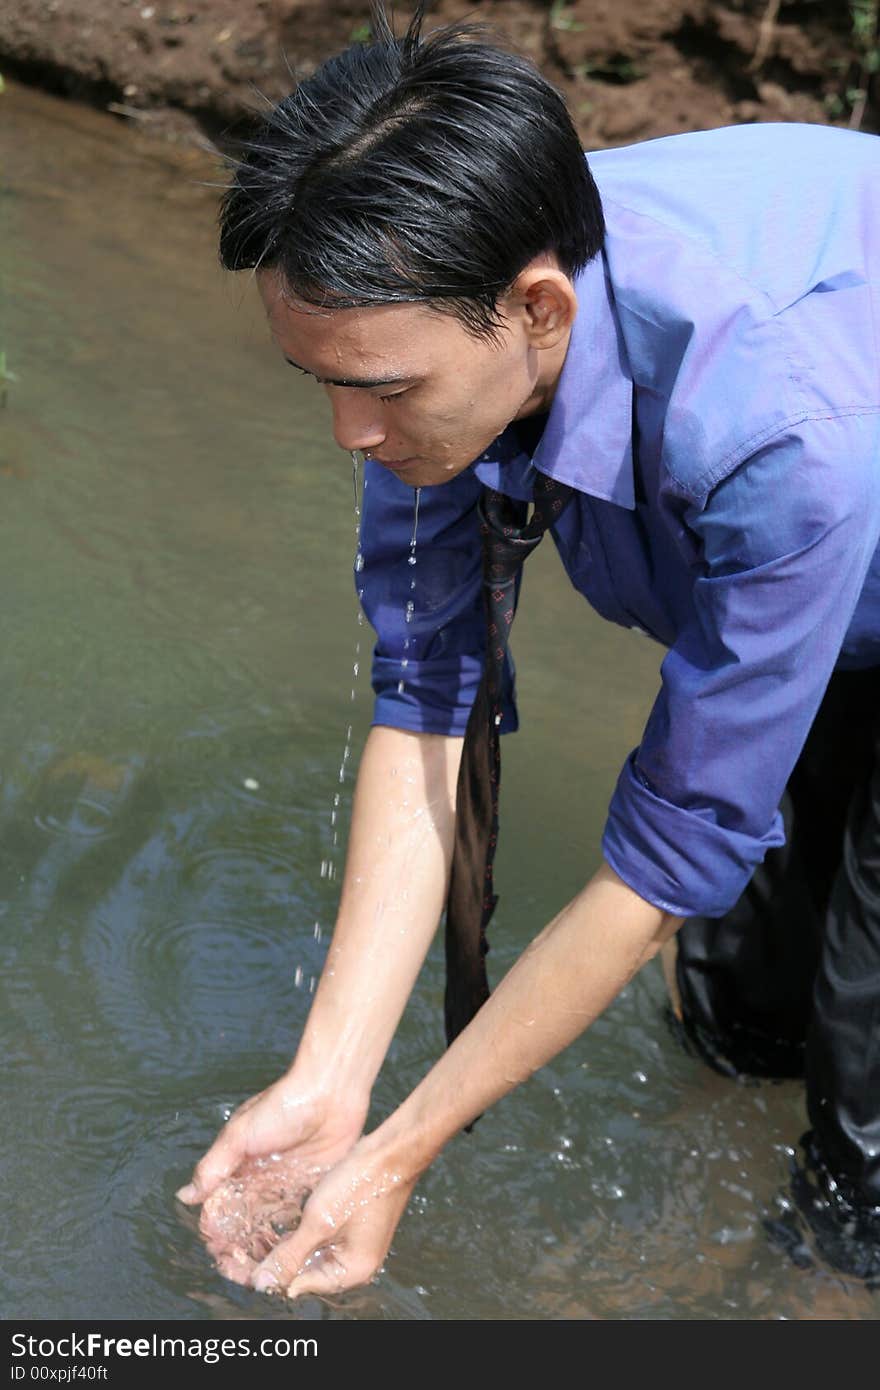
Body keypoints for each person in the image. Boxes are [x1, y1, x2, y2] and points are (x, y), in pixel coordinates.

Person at [176, 3, 880, 1296]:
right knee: (739, 1009)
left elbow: (664, 856)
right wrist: (332, 1084)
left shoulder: (776, 427)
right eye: (318, 382)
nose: (350, 435)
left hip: (843, 480)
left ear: (540, 312)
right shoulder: (437, 315)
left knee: (867, 1076)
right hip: (815, 551)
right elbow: (429, 701)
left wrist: (401, 1151)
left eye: (379, 391)